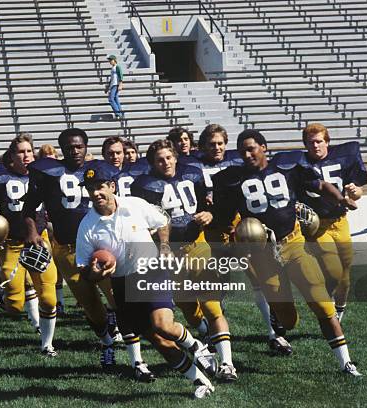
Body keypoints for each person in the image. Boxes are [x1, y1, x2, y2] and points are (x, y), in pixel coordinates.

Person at [213, 129, 361, 376]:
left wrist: (341, 200)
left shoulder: (286, 166)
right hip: (263, 255)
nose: (247, 154)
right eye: (242, 151)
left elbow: (321, 184)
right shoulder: (232, 180)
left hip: (294, 244)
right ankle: (279, 321)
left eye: (251, 148)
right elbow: (226, 221)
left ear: (264, 147)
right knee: (289, 320)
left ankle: (346, 363)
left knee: (322, 304)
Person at [76, 161, 216, 399]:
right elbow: (84, 271)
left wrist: (163, 246)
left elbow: (162, 220)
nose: (96, 193)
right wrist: (96, 274)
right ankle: (200, 381)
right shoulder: (87, 226)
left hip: (150, 270)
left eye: (100, 186)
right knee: (159, 341)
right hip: (121, 283)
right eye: (90, 188)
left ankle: (196, 346)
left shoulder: (134, 205)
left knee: (163, 324)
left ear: (112, 186)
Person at [131, 139, 238, 382]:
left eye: (169, 157)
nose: (165, 162)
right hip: (169, 255)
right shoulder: (143, 186)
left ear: (176, 157)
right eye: (160, 159)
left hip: (197, 245)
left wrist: (209, 213)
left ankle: (227, 364)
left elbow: (206, 205)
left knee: (211, 305)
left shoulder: (193, 173)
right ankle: (204, 342)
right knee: (189, 310)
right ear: (151, 163)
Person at [182, 124, 292, 355]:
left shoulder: (235, 163)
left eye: (221, 143)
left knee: (257, 278)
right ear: (202, 146)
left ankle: (274, 333)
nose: (217, 148)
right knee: (217, 284)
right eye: (211, 144)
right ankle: (215, 333)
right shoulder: (192, 167)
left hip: (240, 228)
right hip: (211, 232)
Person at [23, 128, 119, 369]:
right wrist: (33, 232)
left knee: (118, 296)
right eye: (69, 147)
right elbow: (29, 209)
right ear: (61, 150)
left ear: (86, 147)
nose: (74, 151)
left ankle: (131, 348)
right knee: (89, 303)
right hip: (67, 248)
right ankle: (107, 342)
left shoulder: (100, 171)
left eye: (78, 146)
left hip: (102, 243)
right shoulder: (47, 172)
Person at [0, 133, 58, 356]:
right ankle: (3, 293)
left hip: (38, 241)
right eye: (21, 152)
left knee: (49, 297)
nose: (26, 156)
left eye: (29, 151)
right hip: (12, 244)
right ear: (12, 156)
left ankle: (47, 344)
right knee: (14, 305)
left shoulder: (44, 176)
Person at [298, 123, 367, 321]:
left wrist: (356, 193)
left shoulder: (342, 160)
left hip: (340, 220)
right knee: (333, 269)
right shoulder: (300, 165)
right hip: (317, 225)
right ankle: (324, 301)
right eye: (311, 143)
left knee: (345, 273)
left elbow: (357, 191)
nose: (316, 146)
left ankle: (340, 307)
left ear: (327, 142)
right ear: (305, 145)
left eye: (319, 141)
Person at [105, 55, 124, 119]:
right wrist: (107, 87)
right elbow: (112, 79)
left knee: (111, 99)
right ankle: (121, 113)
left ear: (114, 60)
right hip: (113, 85)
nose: (110, 61)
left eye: (111, 60)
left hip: (116, 85)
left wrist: (121, 84)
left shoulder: (117, 67)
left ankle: (118, 113)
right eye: (109, 60)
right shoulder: (112, 68)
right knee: (115, 99)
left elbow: (120, 75)